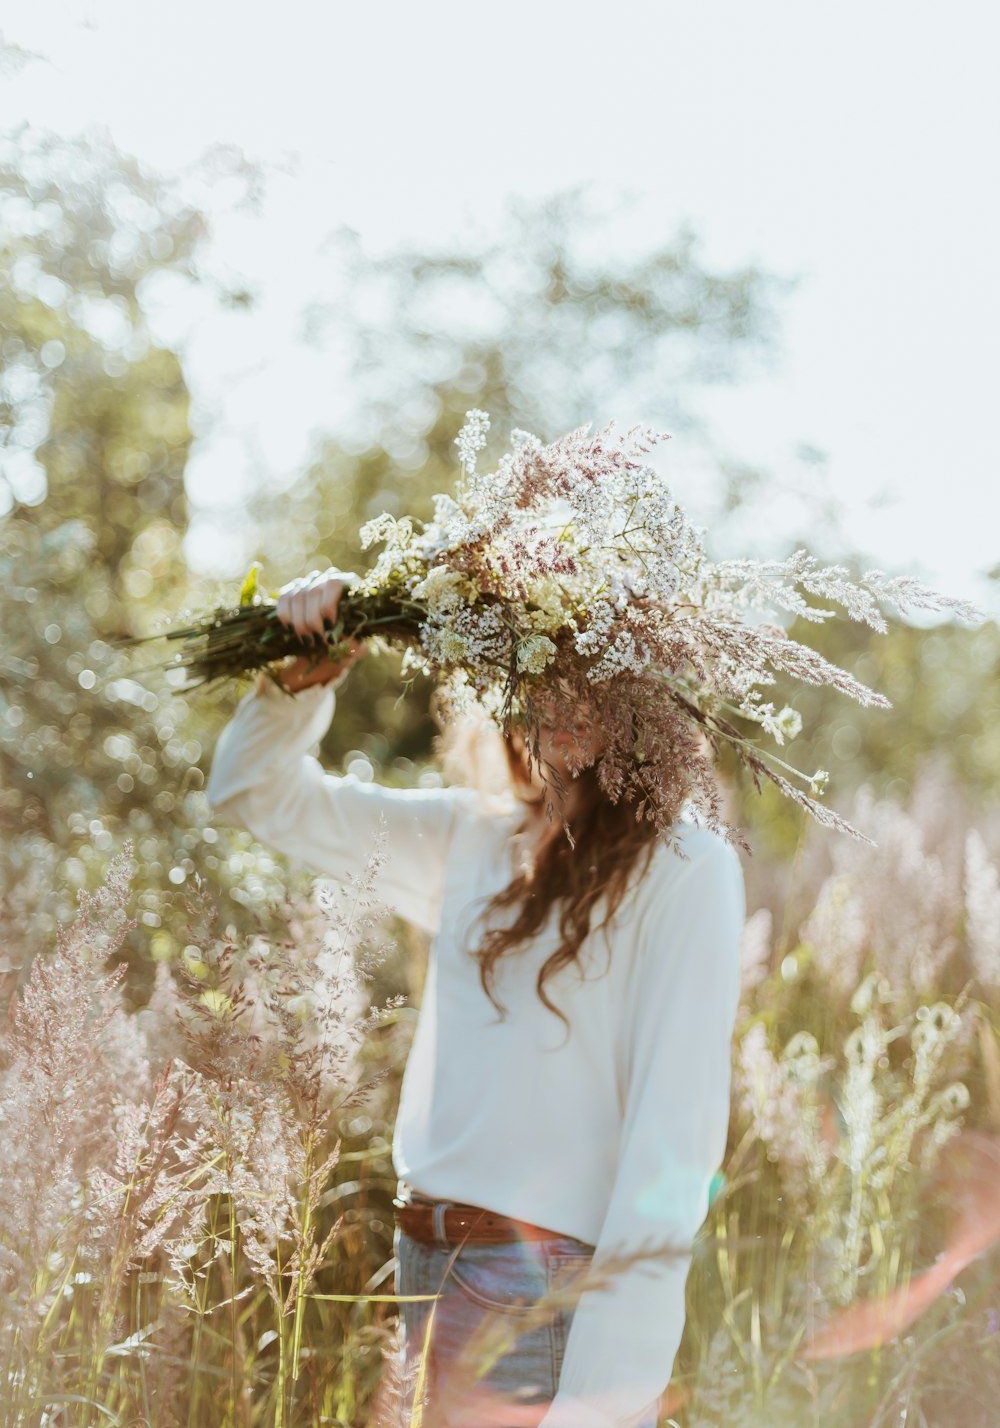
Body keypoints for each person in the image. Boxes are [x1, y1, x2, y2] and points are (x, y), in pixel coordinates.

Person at [205, 567, 746, 1428]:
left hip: (548, 1305)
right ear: (501, 678)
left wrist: (601, 1406)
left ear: (642, 686)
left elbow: (672, 1151)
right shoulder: (473, 837)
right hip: (423, 1270)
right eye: (538, 666)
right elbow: (251, 795)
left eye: (593, 669)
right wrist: (291, 681)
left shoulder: (684, 869)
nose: (564, 696)